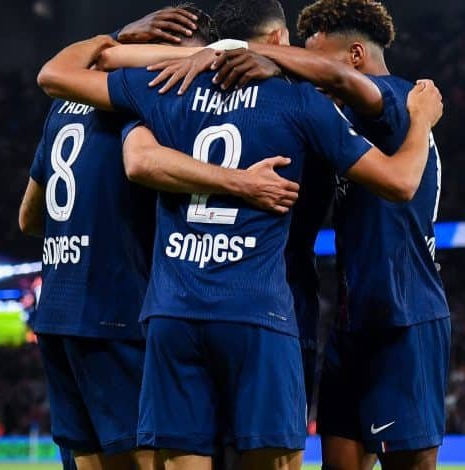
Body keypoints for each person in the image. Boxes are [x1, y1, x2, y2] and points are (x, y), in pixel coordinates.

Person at [36, 28, 442, 470]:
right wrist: (421, 119)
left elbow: (63, 76)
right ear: (276, 39)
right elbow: (398, 181)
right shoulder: (300, 101)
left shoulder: (166, 88)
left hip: (173, 312)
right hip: (259, 312)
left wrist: (114, 40)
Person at [147, 1, 450, 468]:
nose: (303, 71)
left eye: (313, 60)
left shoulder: (399, 100)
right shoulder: (336, 120)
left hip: (405, 316)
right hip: (353, 321)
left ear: (354, 56)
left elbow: (342, 82)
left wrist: (266, 54)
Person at [19, 5, 298, 470]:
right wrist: (240, 183)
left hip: (56, 314)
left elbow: (29, 217)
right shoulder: (144, 98)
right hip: (116, 310)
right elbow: (142, 162)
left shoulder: (64, 105)